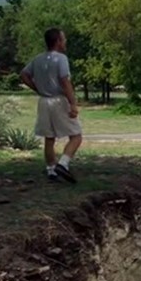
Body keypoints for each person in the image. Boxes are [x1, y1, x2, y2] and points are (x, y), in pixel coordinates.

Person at [20, 28, 82, 184]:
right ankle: (63, 164)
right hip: (58, 100)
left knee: (49, 137)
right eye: (64, 39)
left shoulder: (38, 59)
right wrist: (73, 103)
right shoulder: (61, 59)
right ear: (58, 41)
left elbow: (24, 75)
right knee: (76, 135)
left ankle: (51, 170)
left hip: (43, 101)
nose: (65, 41)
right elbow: (64, 81)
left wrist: (38, 88)